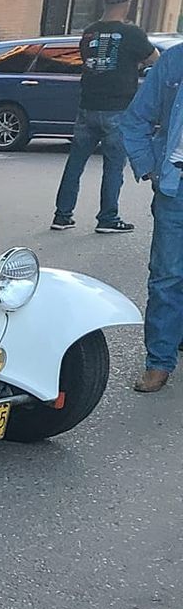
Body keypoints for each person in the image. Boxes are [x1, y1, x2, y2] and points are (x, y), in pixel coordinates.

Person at [52, 0, 155, 235]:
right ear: (127, 3)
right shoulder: (132, 33)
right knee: (113, 166)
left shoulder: (89, 32)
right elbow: (155, 61)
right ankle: (108, 217)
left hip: (87, 106)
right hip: (117, 109)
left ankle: (62, 215)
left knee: (75, 164)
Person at [117, 38, 183, 393]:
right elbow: (136, 119)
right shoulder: (175, 61)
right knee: (168, 276)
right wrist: (150, 167)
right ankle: (159, 361)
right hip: (177, 186)